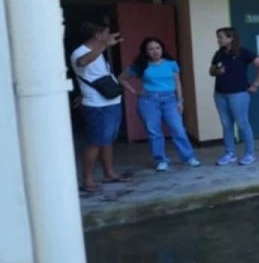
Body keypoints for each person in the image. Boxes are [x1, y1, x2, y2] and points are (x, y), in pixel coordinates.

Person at [119, 37, 201, 171]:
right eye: (151, 49)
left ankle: (189, 157)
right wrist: (134, 92)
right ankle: (161, 160)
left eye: (158, 48)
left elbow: (178, 83)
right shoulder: (141, 65)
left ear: (162, 49)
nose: (155, 51)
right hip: (148, 101)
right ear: (146, 52)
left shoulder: (171, 63)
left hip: (170, 99)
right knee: (154, 132)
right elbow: (121, 78)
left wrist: (180, 100)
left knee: (178, 129)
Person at [71, 21, 131, 193]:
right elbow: (82, 62)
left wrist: (106, 42)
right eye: (106, 33)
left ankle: (109, 173)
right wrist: (104, 45)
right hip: (96, 104)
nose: (108, 36)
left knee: (107, 140)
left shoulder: (97, 49)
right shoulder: (80, 52)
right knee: (95, 142)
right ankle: (87, 179)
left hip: (110, 101)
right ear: (98, 36)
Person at [209, 28, 259, 166]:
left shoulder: (244, 52)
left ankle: (250, 154)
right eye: (218, 37)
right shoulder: (219, 54)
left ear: (230, 38)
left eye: (221, 37)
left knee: (242, 124)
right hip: (220, 93)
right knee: (226, 124)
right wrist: (216, 71)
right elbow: (211, 71)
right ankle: (229, 153)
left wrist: (255, 85)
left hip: (239, 94)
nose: (218, 39)